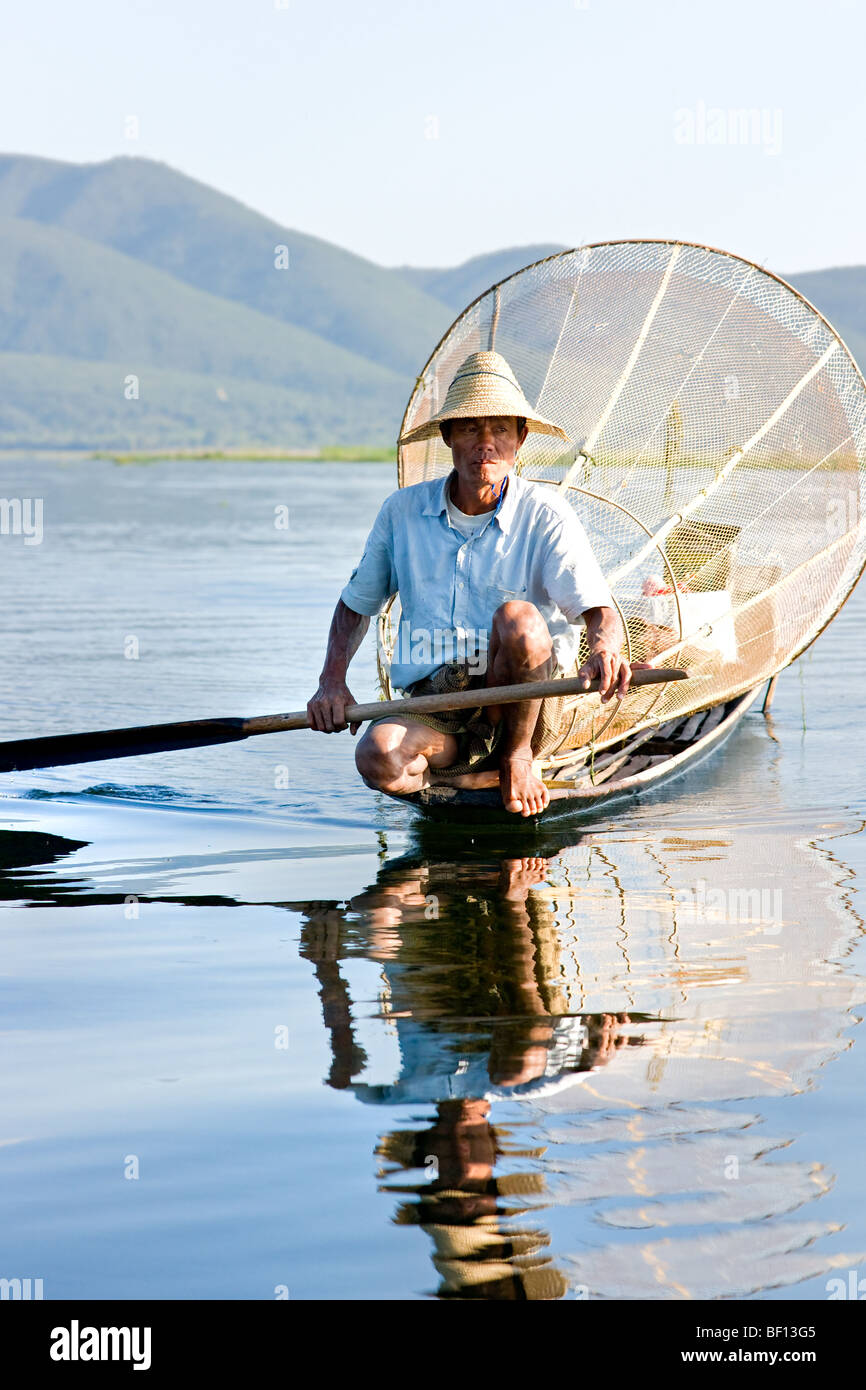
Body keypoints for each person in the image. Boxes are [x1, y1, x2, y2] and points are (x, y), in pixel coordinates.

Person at [307, 350, 641, 816]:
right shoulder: (401, 513)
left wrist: (605, 649)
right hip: (440, 706)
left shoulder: (545, 514)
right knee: (377, 757)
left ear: (520, 439)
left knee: (518, 619)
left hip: (524, 704)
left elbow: (598, 610)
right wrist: (332, 682)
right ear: (447, 436)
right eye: (470, 428)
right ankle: (473, 773)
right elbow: (356, 605)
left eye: (500, 429)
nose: (487, 444)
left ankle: (517, 758)